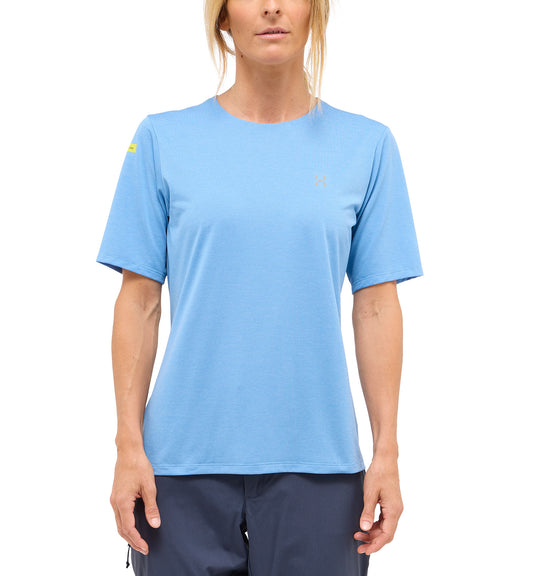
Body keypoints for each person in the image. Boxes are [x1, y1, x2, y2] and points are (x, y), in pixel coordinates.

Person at [96, 1, 423, 574]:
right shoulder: (161, 140)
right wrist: (127, 446)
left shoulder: (367, 146)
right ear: (223, 15)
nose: (272, 6)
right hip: (178, 472)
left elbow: (375, 307)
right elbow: (140, 302)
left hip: (321, 470)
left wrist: (387, 452)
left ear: (316, 10)